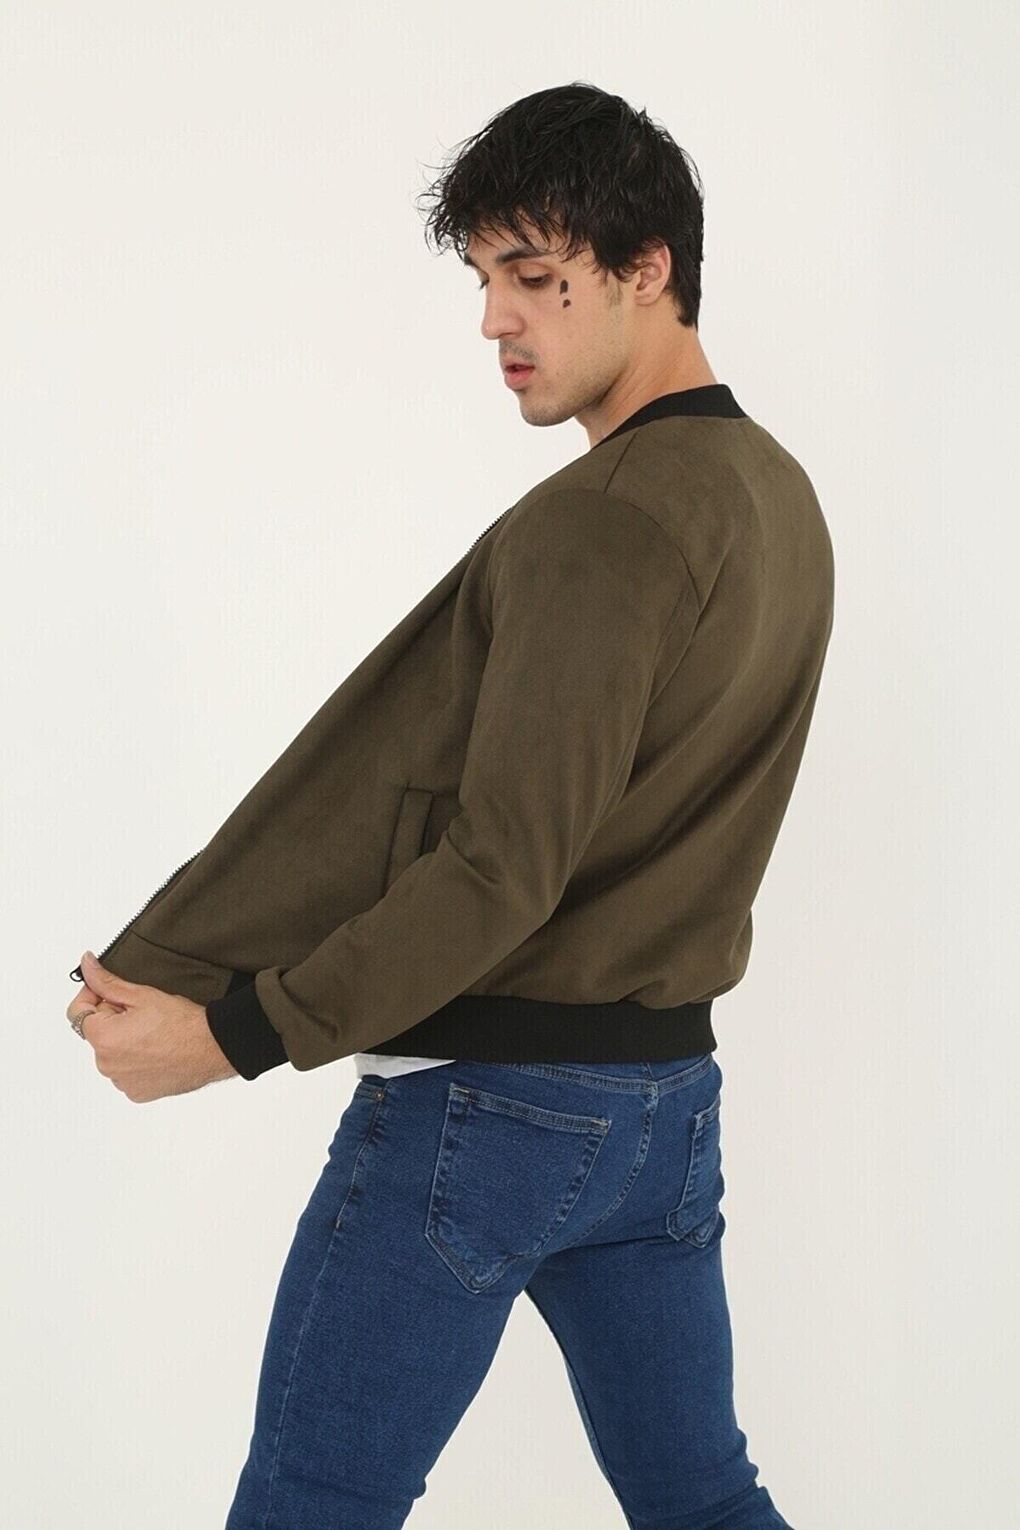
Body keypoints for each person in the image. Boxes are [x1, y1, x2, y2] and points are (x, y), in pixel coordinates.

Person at [70, 82, 832, 1528]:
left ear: (650, 266)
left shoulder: (608, 518)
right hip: (664, 1110)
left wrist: (233, 1032)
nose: (495, 320)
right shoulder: (776, 494)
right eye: (485, 279)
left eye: (536, 277)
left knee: (308, 1507)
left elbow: (499, 869)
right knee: (706, 1502)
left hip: (495, 1111)